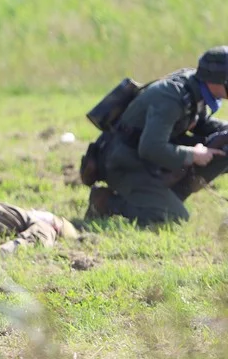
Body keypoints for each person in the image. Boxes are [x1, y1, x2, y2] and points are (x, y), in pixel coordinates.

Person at [86, 47, 228, 226]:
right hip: (124, 163)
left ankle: (168, 197)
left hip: (146, 155)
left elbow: (200, 123)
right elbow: (151, 148)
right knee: (174, 217)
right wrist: (193, 154)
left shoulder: (197, 87)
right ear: (215, 78)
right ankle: (106, 203)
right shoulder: (172, 98)